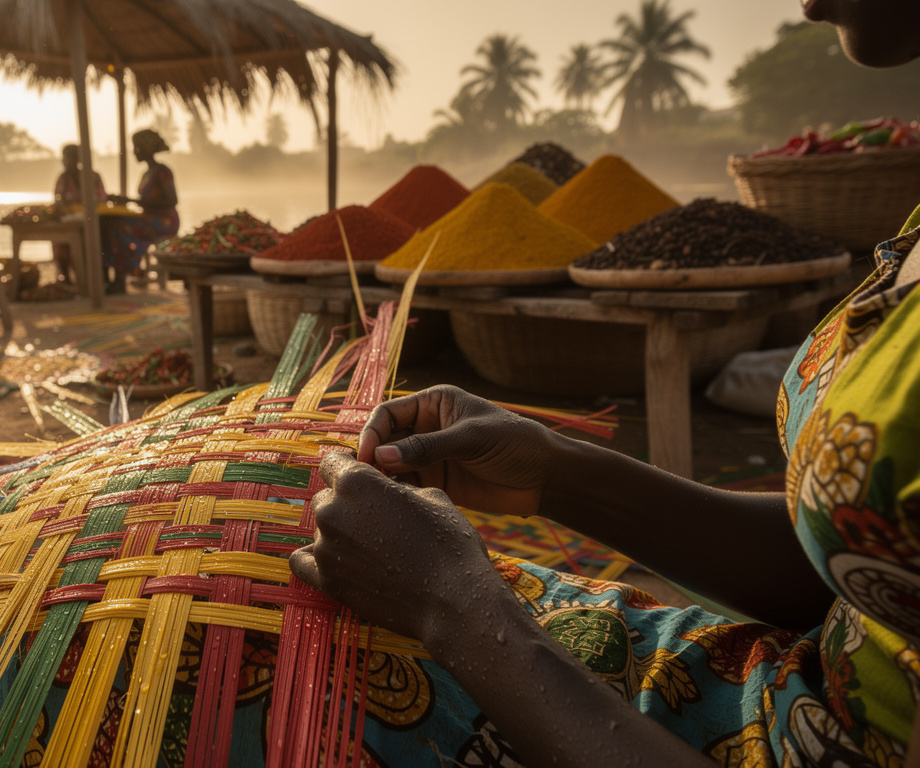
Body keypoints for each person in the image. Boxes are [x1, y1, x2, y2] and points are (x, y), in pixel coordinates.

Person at [289, 0, 920, 765]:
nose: (805, 4)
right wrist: (554, 472)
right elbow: (857, 561)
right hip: (788, 682)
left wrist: (454, 608)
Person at [101, 128, 179, 294]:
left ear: (147, 149)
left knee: (119, 228)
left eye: (137, 148)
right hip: (150, 218)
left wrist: (131, 201)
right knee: (110, 224)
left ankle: (122, 278)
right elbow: (144, 203)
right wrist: (127, 201)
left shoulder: (162, 171)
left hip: (165, 222)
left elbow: (172, 200)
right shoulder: (147, 173)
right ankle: (117, 275)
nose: (134, 152)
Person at [51, 143, 106, 284]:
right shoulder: (63, 179)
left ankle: (90, 278)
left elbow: (101, 199)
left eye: (69, 157)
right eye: (64, 157)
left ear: (78, 158)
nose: (65, 160)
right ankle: (66, 278)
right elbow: (58, 200)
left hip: (94, 221)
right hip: (70, 221)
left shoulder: (93, 177)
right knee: (59, 241)